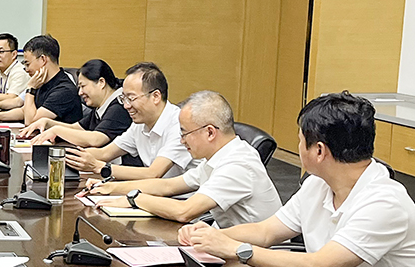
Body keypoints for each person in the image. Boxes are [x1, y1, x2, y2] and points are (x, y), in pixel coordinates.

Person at [180, 92, 415, 267]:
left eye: (301, 140)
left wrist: (236, 249)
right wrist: (209, 237)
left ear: (319, 150)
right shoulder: (318, 184)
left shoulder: (384, 202)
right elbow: (266, 231)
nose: (298, 146)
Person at [85, 91, 281, 227]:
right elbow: (168, 186)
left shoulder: (237, 164)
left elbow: (185, 211)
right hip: (229, 243)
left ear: (210, 132)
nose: (181, 140)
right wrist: (110, 188)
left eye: (185, 133)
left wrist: (134, 198)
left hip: (256, 257)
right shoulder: (216, 158)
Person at [70, 62, 191, 181]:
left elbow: (153, 173)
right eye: (124, 98)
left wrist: (100, 167)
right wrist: (64, 156)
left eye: (131, 98)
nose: (126, 106)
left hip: (185, 193)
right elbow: (104, 153)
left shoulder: (180, 125)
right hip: (154, 190)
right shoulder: (139, 124)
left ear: (156, 96)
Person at [23, 59, 132, 147]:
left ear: (101, 82)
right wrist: (47, 122)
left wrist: (57, 130)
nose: (80, 93)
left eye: (83, 86)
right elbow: (76, 128)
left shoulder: (119, 106)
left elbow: (96, 139)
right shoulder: (101, 106)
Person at [0, 34, 81, 124]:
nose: (26, 70)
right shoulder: (43, 82)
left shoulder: (64, 90)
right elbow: (24, 111)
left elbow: (31, 121)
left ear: (43, 59)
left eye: (27, 64)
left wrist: (30, 89)